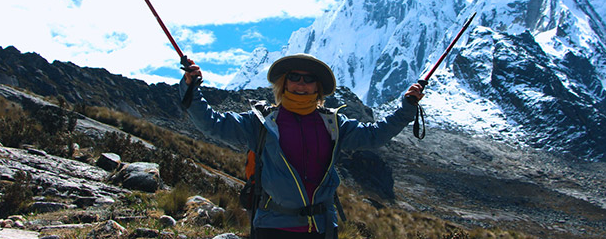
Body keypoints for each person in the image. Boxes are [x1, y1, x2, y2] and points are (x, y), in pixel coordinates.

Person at [179, 53, 424, 239]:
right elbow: (214, 124)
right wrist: (191, 89)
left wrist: (407, 108)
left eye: (309, 79)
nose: (301, 83)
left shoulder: (333, 123)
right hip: (272, 227)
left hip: (322, 227)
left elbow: (374, 136)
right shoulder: (261, 122)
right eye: (294, 77)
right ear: (284, 83)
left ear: (318, 87)